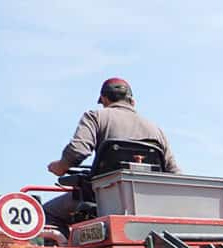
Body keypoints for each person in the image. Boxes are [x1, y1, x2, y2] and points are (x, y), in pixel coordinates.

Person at [43, 78, 181, 233]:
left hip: (101, 201)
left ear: (104, 99)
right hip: (149, 205)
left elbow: (78, 151)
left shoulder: (95, 117)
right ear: (132, 101)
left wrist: (61, 166)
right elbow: (174, 173)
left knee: (46, 213)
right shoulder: (156, 130)